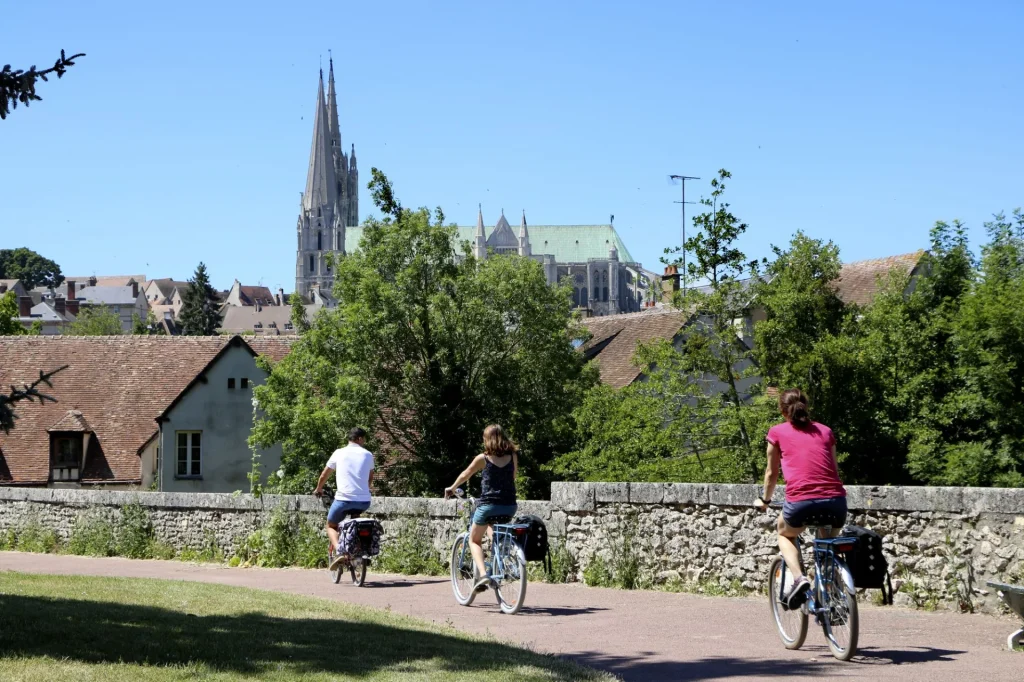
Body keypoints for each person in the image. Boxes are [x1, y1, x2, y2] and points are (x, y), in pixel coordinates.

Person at [754, 388, 847, 608]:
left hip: (801, 502)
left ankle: (799, 579)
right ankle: (832, 594)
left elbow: (771, 473)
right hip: (836, 502)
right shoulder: (825, 431)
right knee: (827, 545)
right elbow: (834, 469)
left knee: (784, 533)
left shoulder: (777, 432)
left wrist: (765, 501)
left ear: (783, 411)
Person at [444, 424, 518, 592]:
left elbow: (466, 474)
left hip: (488, 505)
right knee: (493, 527)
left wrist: (453, 487)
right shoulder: (512, 455)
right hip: (509, 505)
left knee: (474, 539)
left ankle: (484, 575)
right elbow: (513, 477)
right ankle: (502, 555)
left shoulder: (483, 458)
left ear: (487, 440)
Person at [314, 427, 375, 571]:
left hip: (343, 500)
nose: (364, 442)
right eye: (364, 439)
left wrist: (318, 489)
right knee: (355, 520)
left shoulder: (339, 453)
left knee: (331, 525)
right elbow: (370, 477)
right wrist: (363, 491)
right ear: (359, 439)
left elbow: (324, 475)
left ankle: (340, 550)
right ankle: (357, 550)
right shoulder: (368, 454)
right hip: (364, 501)